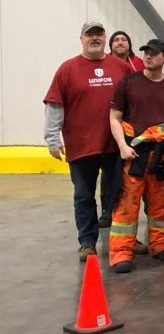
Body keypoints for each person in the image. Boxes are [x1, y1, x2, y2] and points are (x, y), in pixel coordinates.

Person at [44, 22, 134, 260]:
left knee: (120, 195)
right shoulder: (67, 69)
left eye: (99, 34)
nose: (94, 38)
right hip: (81, 145)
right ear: (81, 38)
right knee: (84, 195)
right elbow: (55, 104)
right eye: (89, 34)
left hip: (116, 145)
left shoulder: (122, 67)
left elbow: (135, 101)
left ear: (105, 38)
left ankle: (123, 239)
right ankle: (87, 242)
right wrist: (52, 138)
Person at [107, 39, 164, 272]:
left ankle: (160, 243)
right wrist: (122, 145)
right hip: (134, 154)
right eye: (146, 53)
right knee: (126, 204)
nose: (149, 57)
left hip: (163, 154)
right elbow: (114, 117)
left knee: (161, 203)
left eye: (154, 53)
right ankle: (121, 251)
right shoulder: (128, 83)